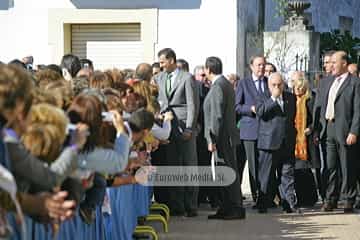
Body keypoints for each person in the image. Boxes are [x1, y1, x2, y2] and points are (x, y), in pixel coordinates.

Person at [154, 48, 198, 217]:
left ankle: (191, 205)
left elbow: (193, 105)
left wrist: (189, 128)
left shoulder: (187, 78)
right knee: (173, 167)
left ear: (171, 60)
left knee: (189, 167)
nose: (161, 65)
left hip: (184, 127)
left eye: (163, 62)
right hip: (168, 127)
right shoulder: (159, 78)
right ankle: (177, 205)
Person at [314, 51, 360, 213]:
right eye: (329, 62)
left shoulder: (354, 83)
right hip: (328, 128)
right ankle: (330, 198)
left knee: (347, 166)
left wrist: (354, 131)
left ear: (344, 64)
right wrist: (316, 129)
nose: (330, 65)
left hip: (345, 130)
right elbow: (319, 107)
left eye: (334, 62)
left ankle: (348, 199)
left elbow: (358, 109)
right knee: (330, 166)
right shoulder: (327, 82)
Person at [203, 56, 245, 220]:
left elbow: (217, 116)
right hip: (225, 136)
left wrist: (211, 138)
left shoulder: (218, 86)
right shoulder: (225, 84)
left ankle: (234, 207)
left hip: (222, 138)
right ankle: (227, 207)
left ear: (208, 69)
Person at [256, 72, 298, 213]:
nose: (277, 87)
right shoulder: (262, 97)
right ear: (269, 86)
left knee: (287, 174)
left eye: (279, 84)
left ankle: (290, 204)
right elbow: (261, 112)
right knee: (266, 176)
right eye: (274, 85)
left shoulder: (290, 98)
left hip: (286, 143)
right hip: (268, 143)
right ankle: (263, 203)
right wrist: (273, 98)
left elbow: (291, 118)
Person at [235, 56, 270, 206]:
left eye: (263, 64)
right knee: (253, 164)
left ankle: (266, 195)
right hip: (249, 130)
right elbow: (236, 106)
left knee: (265, 163)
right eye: (258, 65)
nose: (261, 67)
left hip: (266, 129)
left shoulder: (269, 82)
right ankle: (256, 195)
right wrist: (250, 109)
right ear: (251, 67)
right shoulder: (244, 83)